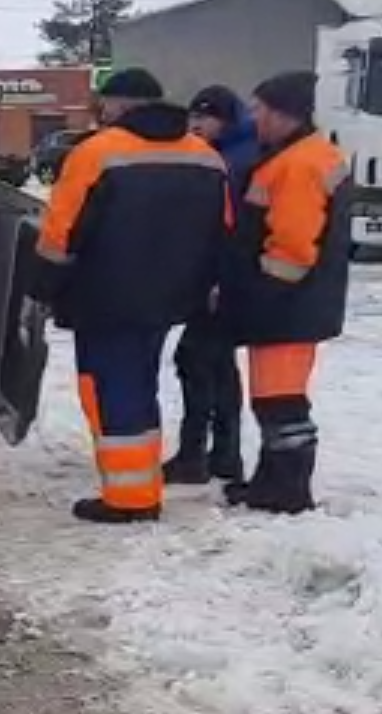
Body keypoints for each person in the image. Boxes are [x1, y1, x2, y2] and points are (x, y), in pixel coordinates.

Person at [30, 68, 231, 524]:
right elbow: (224, 232)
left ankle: (130, 499)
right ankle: (141, 485)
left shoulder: (95, 154)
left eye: (105, 104)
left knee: (110, 389)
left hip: (104, 297)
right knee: (139, 384)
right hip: (171, 299)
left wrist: (43, 287)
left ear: (119, 105)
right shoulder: (205, 157)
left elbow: (60, 234)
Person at [217, 71, 351, 514]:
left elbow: (292, 247)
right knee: (273, 397)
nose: (254, 116)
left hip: (287, 305)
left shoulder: (298, 165)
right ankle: (271, 481)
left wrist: (261, 295)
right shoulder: (302, 155)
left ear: (282, 112)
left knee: (282, 401)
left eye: (259, 108)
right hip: (294, 303)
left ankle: (287, 489)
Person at [164, 85, 260, 484]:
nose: (197, 124)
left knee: (197, 359)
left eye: (206, 117)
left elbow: (230, 229)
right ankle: (223, 454)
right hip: (224, 277)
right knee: (217, 364)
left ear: (227, 118)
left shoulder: (232, 162)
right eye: (194, 116)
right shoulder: (229, 154)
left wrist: (220, 279)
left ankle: (196, 455)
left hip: (224, 280)